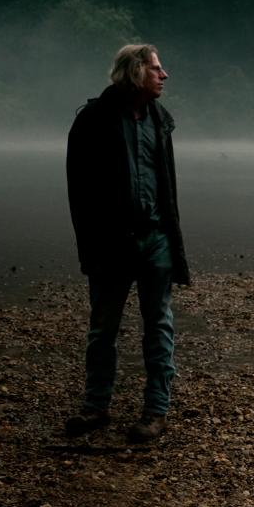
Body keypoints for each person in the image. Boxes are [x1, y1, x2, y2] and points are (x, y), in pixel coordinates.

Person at [64, 43, 190, 444]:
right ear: (136, 73)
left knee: (159, 326)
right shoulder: (94, 120)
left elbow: (166, 185)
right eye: (156, 68)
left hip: (156, 239)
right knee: (103, 329)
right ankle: (96, 406)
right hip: (110, 244)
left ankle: (156, 411)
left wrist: (172, 237)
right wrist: (89, 247)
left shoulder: (160, 120)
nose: (164, 75)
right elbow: (79, 191)